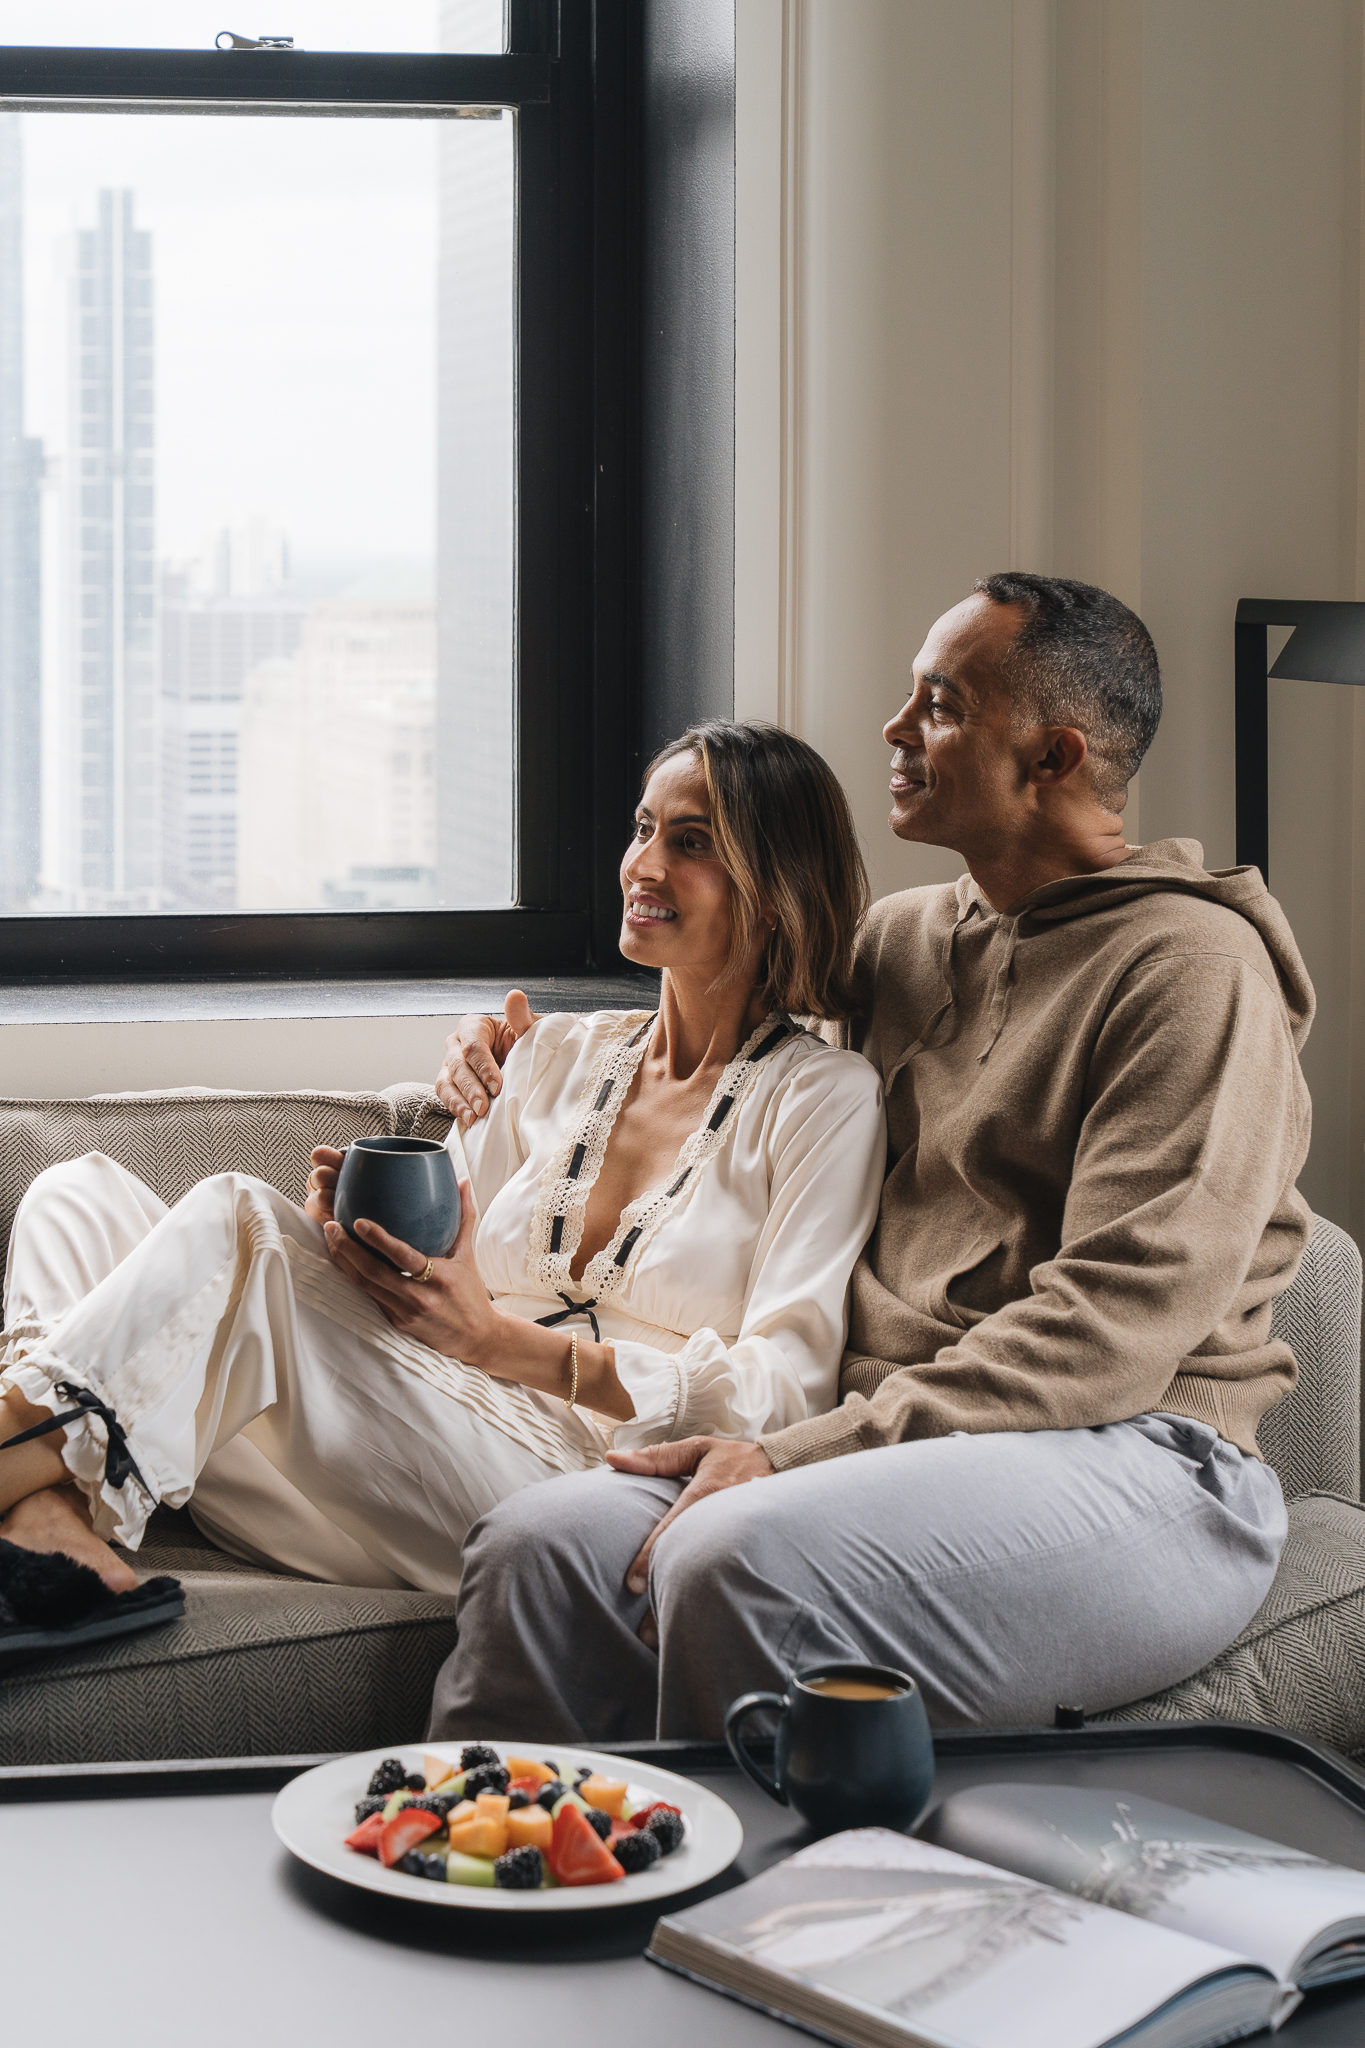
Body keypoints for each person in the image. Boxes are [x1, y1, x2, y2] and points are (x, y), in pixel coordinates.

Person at [427, 572, 1312, 1743]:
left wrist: (799, 1448)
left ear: (1052, 758)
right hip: (898, 1442)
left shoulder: (1193, 976)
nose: (894, 732)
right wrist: (495, 1052)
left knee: (731, 1557)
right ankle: (479, 1867)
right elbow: (715, 973)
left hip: (1140, 1457)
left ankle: (729, 1908)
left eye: (938, 706)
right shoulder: (905, 938)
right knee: (536, 1545)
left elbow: (1104, 1336)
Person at [0, 724, 884, 1605]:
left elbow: (786, 1393)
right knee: (75, 1192)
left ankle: (20, 1474)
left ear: (775, 891)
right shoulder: (554, 1056)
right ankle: (47, 1519)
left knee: (240, 1219)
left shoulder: (822, 1099)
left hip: (571, 1483)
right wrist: (346, 1238)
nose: (643, 865)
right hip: (386, 1451)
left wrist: (505, 1343)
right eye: (642, 828)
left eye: (689, 843)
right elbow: (431, 1259)